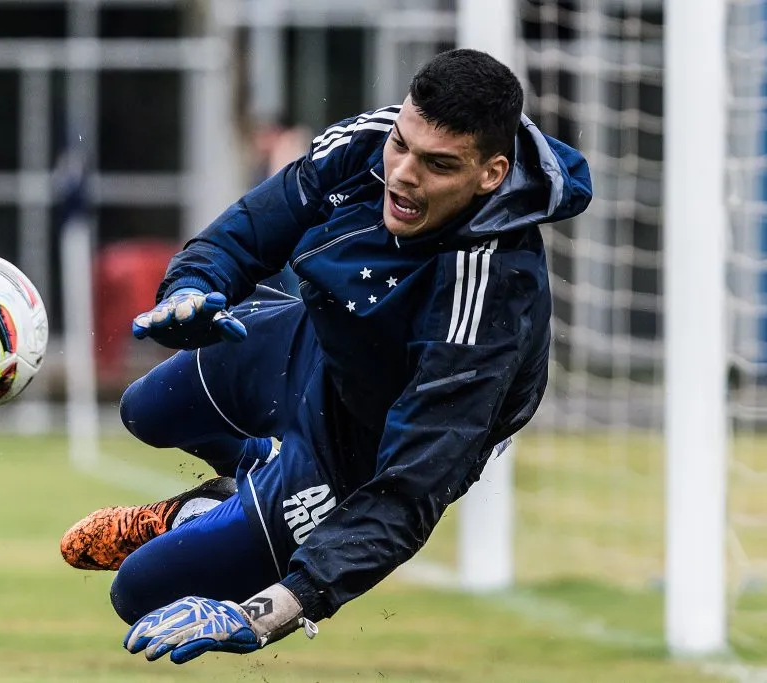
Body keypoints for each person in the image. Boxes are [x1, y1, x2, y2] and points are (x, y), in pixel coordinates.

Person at [60, 48, 592, 663]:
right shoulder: (370, 141)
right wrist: (189, 290)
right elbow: (250, 228)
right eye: (403, 144)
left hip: (356, 451)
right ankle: (242, 484)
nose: (402, 175)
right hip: (305, 345)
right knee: (145, 410)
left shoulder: (492, 295)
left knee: (140, 592)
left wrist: (266, 613)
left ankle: (205, 513)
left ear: (491, 174)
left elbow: (409, 491)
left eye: (438, 165)